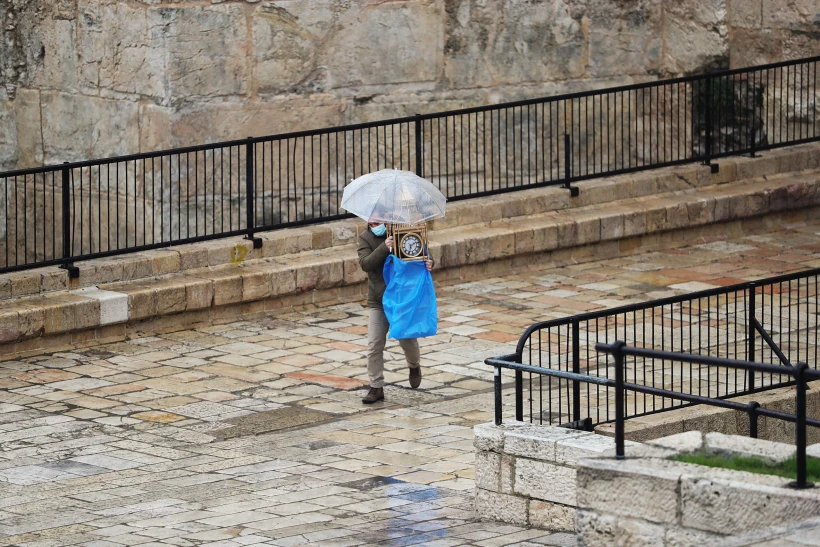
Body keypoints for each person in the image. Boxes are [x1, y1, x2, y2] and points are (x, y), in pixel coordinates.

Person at [358, 221, 433, 404]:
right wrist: (385, 247)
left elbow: (420, 250)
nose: (374, 222)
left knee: (407, 340)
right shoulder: (365, 238)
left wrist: (429, 261)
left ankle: (414, 366)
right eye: (371, 219)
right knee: (374, 344)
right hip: (379, 299)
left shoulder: (403, 230)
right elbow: (366, 263)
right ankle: (376, 386)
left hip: (402, 299)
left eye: (378, 218)